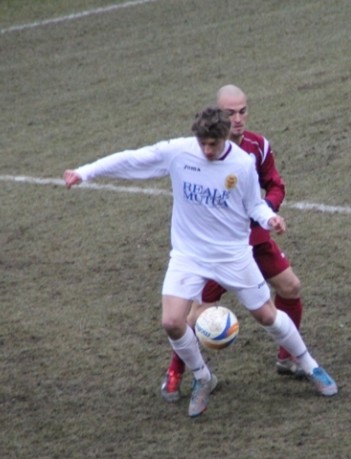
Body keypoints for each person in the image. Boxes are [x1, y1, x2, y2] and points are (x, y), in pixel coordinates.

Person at [64, 106, 337, 418]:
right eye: (202, 143)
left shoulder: (242, 163)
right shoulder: (179, 152)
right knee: (172, 322)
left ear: (224, 139)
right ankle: (203, 378)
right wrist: (85, 172)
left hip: (233, 254)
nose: (207, 150)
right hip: (188, 256)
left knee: (266, 316)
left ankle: (310, 365)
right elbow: (132, 158)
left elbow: (253, 205)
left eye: (213, 144)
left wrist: (270, 217)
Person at [161, 85, 305, 402]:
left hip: (255, 240)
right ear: (218, 115)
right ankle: (176, 372)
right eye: (230, 113)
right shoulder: (202, 152)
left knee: (290, 287)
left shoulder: (259, 147)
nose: (238, 119)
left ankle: (287, 357)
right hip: (218, 248)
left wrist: (266, 213)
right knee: (192, 315)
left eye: (243, 111)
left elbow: (275, 186)